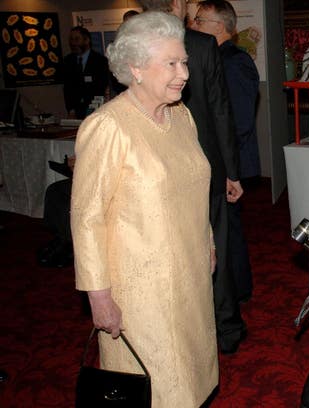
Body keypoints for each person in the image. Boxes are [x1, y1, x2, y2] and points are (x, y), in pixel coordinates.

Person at [70, 12, 217, 407]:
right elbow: (87, 218)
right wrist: (98, 296)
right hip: (141, 290)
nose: (183, 73)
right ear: (135, 67)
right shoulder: (108, 126)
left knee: (191, 373)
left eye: (183, 61)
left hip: (190, 273)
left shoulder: (182, 116)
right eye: (171, 63)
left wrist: (208, 240)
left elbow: (194, 185)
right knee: (156, 384)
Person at [138, 0, 247, 354]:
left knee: (168, 250)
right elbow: (219, 110)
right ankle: (227, 330)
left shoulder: (134, 42)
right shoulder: (201, 45)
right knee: (216, 245)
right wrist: (232, 172)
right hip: (204, 166)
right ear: (177, 3)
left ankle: (180, 333)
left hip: (153, 167)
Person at [194, 0, 259, 302]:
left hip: (228, 164)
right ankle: (232, 289)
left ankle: (238, 291)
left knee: (229, 232)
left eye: (199, 20)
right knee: (223, 230)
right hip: (221, 163)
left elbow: (240, 121)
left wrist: (225, 168)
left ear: (219, 27)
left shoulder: (235, 61)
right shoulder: (216, 58)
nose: (193, 25)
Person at [62, 26, 110, 119]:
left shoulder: (100, 61)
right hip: (75, 112)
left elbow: (102, 87)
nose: (73, 43)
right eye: (71, 39)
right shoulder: (68, 61)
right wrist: (71, 110)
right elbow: (67, 88)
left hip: (96, 110)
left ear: (87, 40)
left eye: (77, 39)